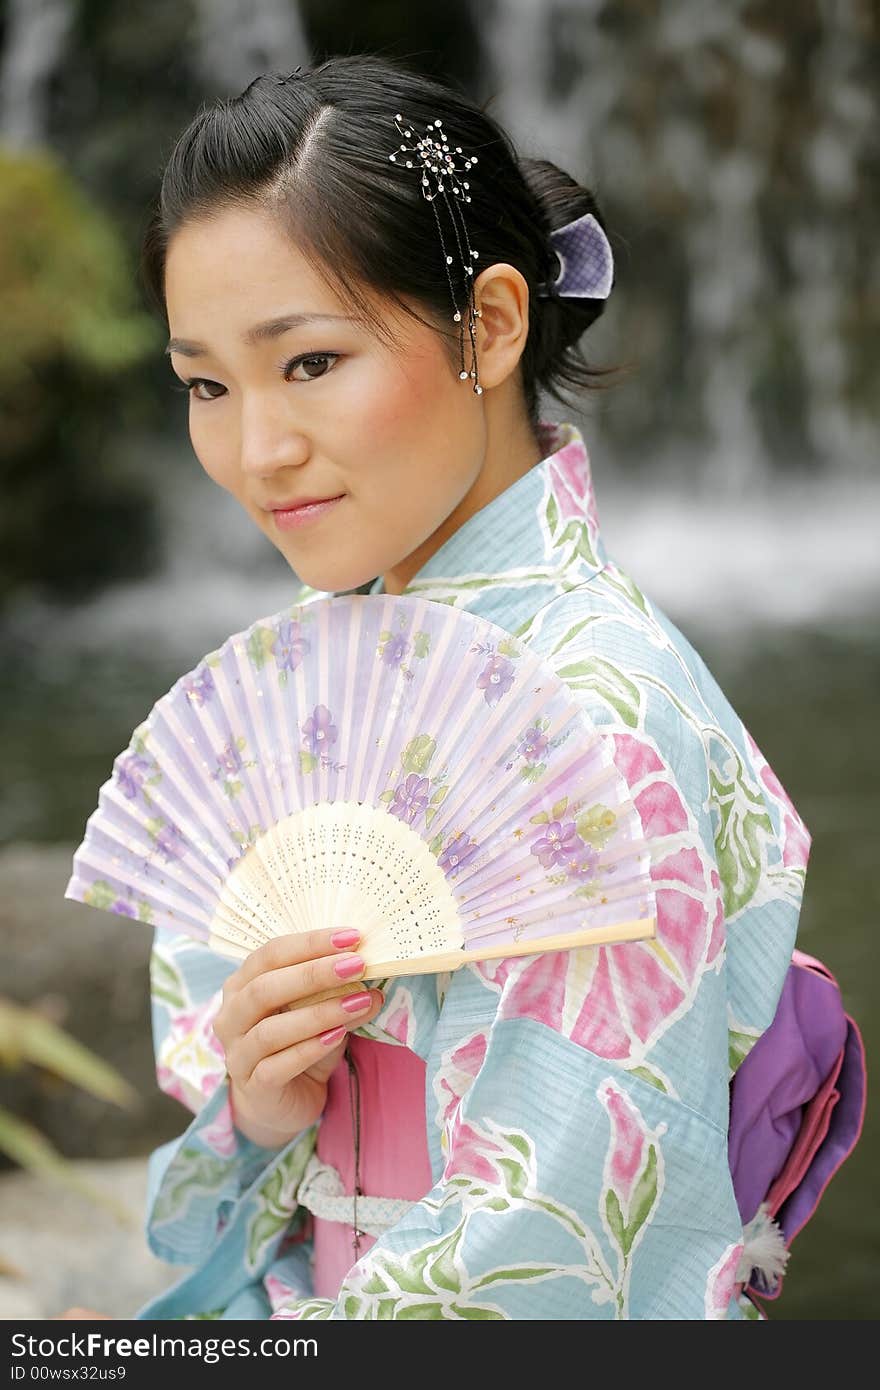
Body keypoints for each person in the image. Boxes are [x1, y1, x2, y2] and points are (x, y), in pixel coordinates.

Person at [58, 52, 825, 1320]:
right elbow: (240, 1193)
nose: (256, 451)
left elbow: (554, 1248)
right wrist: (261, 1103)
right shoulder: (323, 669)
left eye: (307, 362)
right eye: (206, 383)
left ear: (493, 322)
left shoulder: (599, 714)